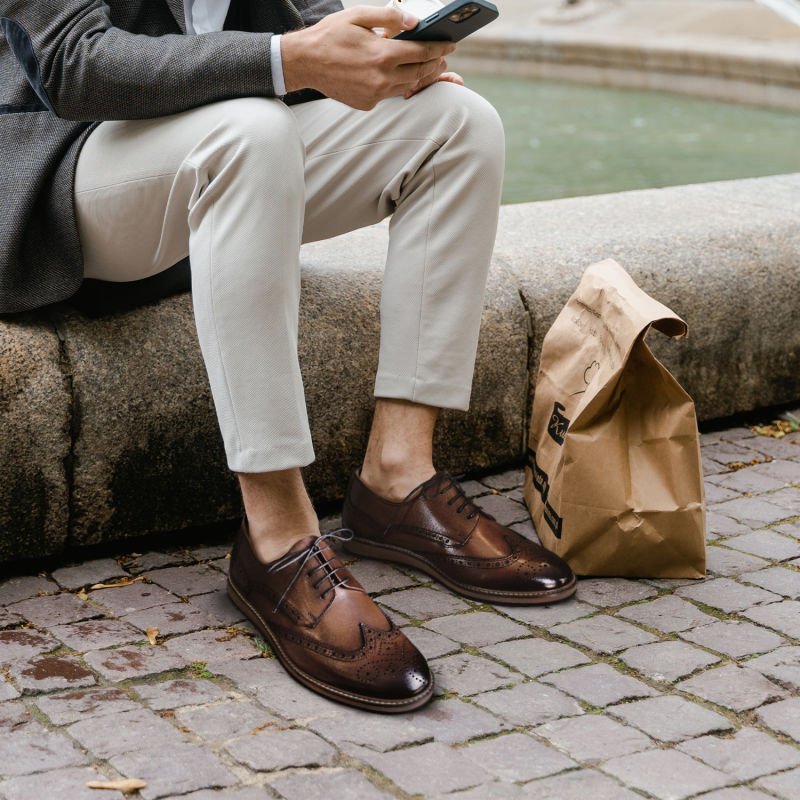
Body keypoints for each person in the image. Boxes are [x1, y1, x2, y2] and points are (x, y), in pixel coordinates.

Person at [0, 0, 576, 713]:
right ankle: (277, 538)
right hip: (61, 172)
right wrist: (293, 58)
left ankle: (397, 477)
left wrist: (383, 60)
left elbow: (309, 20)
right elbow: (69, 62)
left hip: (219, 158)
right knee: (253, 129)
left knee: (460, 125)